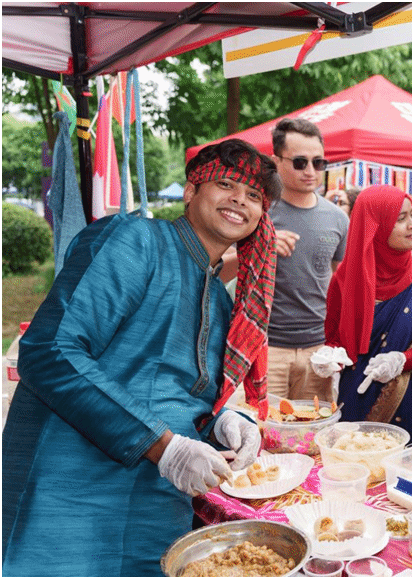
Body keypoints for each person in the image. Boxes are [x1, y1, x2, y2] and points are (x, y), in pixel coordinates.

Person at [1, 139, 281, 575]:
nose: (239, 201)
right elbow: (50, 351)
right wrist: (163, 446)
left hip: (154, 505)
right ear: (190, 191)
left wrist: (221, 423)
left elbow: (182, 395)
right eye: (226, 185)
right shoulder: (134, 241)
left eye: (253, 196)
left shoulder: (221, 301)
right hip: (69, 487)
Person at [320, 185, 412, 443]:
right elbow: (336, 339)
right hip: (357, 396)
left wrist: (403, 359)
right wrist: (329, 357)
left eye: (411, 215)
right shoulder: (345, 278)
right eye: (400, 218)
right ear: (374, 226)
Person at [267, 118, 349, 401]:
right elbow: (218, 269)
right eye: (300, 162)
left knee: (313, 426)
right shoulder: (258, 212)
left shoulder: (338, 218)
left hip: (318, 348)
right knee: (262, 425)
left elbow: (342, 284)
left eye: (319, 162)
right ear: (276, 161)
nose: (311, 171)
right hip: (267, 347)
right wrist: (260, 246)